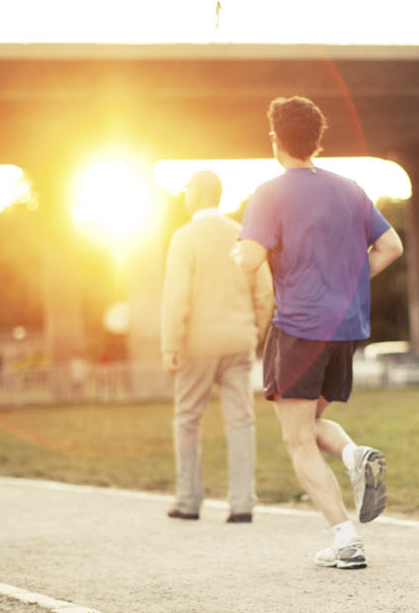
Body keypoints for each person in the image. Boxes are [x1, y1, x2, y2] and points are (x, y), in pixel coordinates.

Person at [233, 96, 404, 569]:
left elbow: (248, 259)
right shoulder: (351, 189)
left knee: (296, 440)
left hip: (299, 328)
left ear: (275, 141)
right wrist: (347, 280)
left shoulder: (269, 193)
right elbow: (391, 246)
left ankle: (346, 539)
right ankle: (355, 455)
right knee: (306, 424)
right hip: (346, 328)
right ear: (316, 140)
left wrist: (238, 252)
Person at [161, 170, 274, 523]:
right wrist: (253, 331)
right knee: (240, 421)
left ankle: (188, 500)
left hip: (197, 345)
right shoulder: (242, 235)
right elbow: (266, 291)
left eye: (187, 191)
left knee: (187, 420)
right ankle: (242, 504)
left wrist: (171, 344)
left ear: (195, 194)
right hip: (238, 341)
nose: (185, 197)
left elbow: (177, 296)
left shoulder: (184, 238)